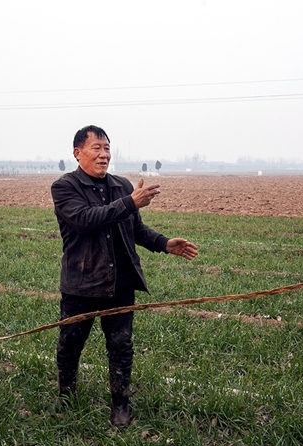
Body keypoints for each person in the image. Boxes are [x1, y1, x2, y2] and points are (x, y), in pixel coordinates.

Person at [50, 125, 198, 426]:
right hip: (82, 283)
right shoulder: (65, 187)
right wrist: (131, 201)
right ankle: (66, 395)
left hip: (120, 283)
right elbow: (86, 220)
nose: (104, 154)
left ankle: (120, 404)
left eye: (107, 148)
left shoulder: (120, 185)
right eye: (96, 148)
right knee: (70, 345)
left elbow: (136, 229)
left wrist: (164, 244)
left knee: (121, 346)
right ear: (77, 153)